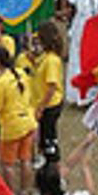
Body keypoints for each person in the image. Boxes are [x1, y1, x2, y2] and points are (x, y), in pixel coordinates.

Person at [0, 46, 36, 195]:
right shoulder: (22, 73)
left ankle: (11, 193)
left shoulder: (2, 82)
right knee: (25, 159)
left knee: (7, 164)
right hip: (28, 121)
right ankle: (24, 189)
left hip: (11, 125)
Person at [31, 20, 64, 162]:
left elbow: (51, 87)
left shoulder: (51, 60)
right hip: (44, 102)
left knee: (49, 138)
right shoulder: (46, 58)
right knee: (44, 136)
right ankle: (45, 160)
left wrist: (41, 107)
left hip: (49, 105)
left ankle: (52, 164)